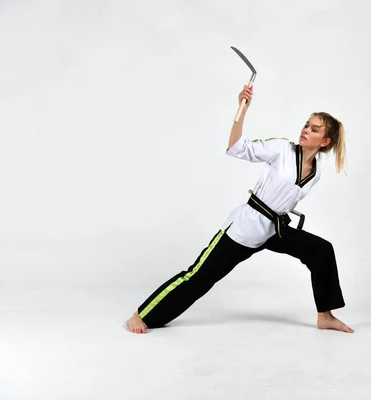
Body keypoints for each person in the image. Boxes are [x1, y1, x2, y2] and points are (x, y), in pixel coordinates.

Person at [125, 84, 353, 334]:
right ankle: (142, 314)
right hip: (246, 227)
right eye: (306, 125)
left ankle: (325, 315)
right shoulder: (281, 149)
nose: (306, 130)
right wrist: (242, 110)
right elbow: (237, 147)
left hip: (275, 228)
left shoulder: (315, 173)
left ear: (325, 141)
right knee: (200, 276)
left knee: (321, 251)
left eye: (314, 129)